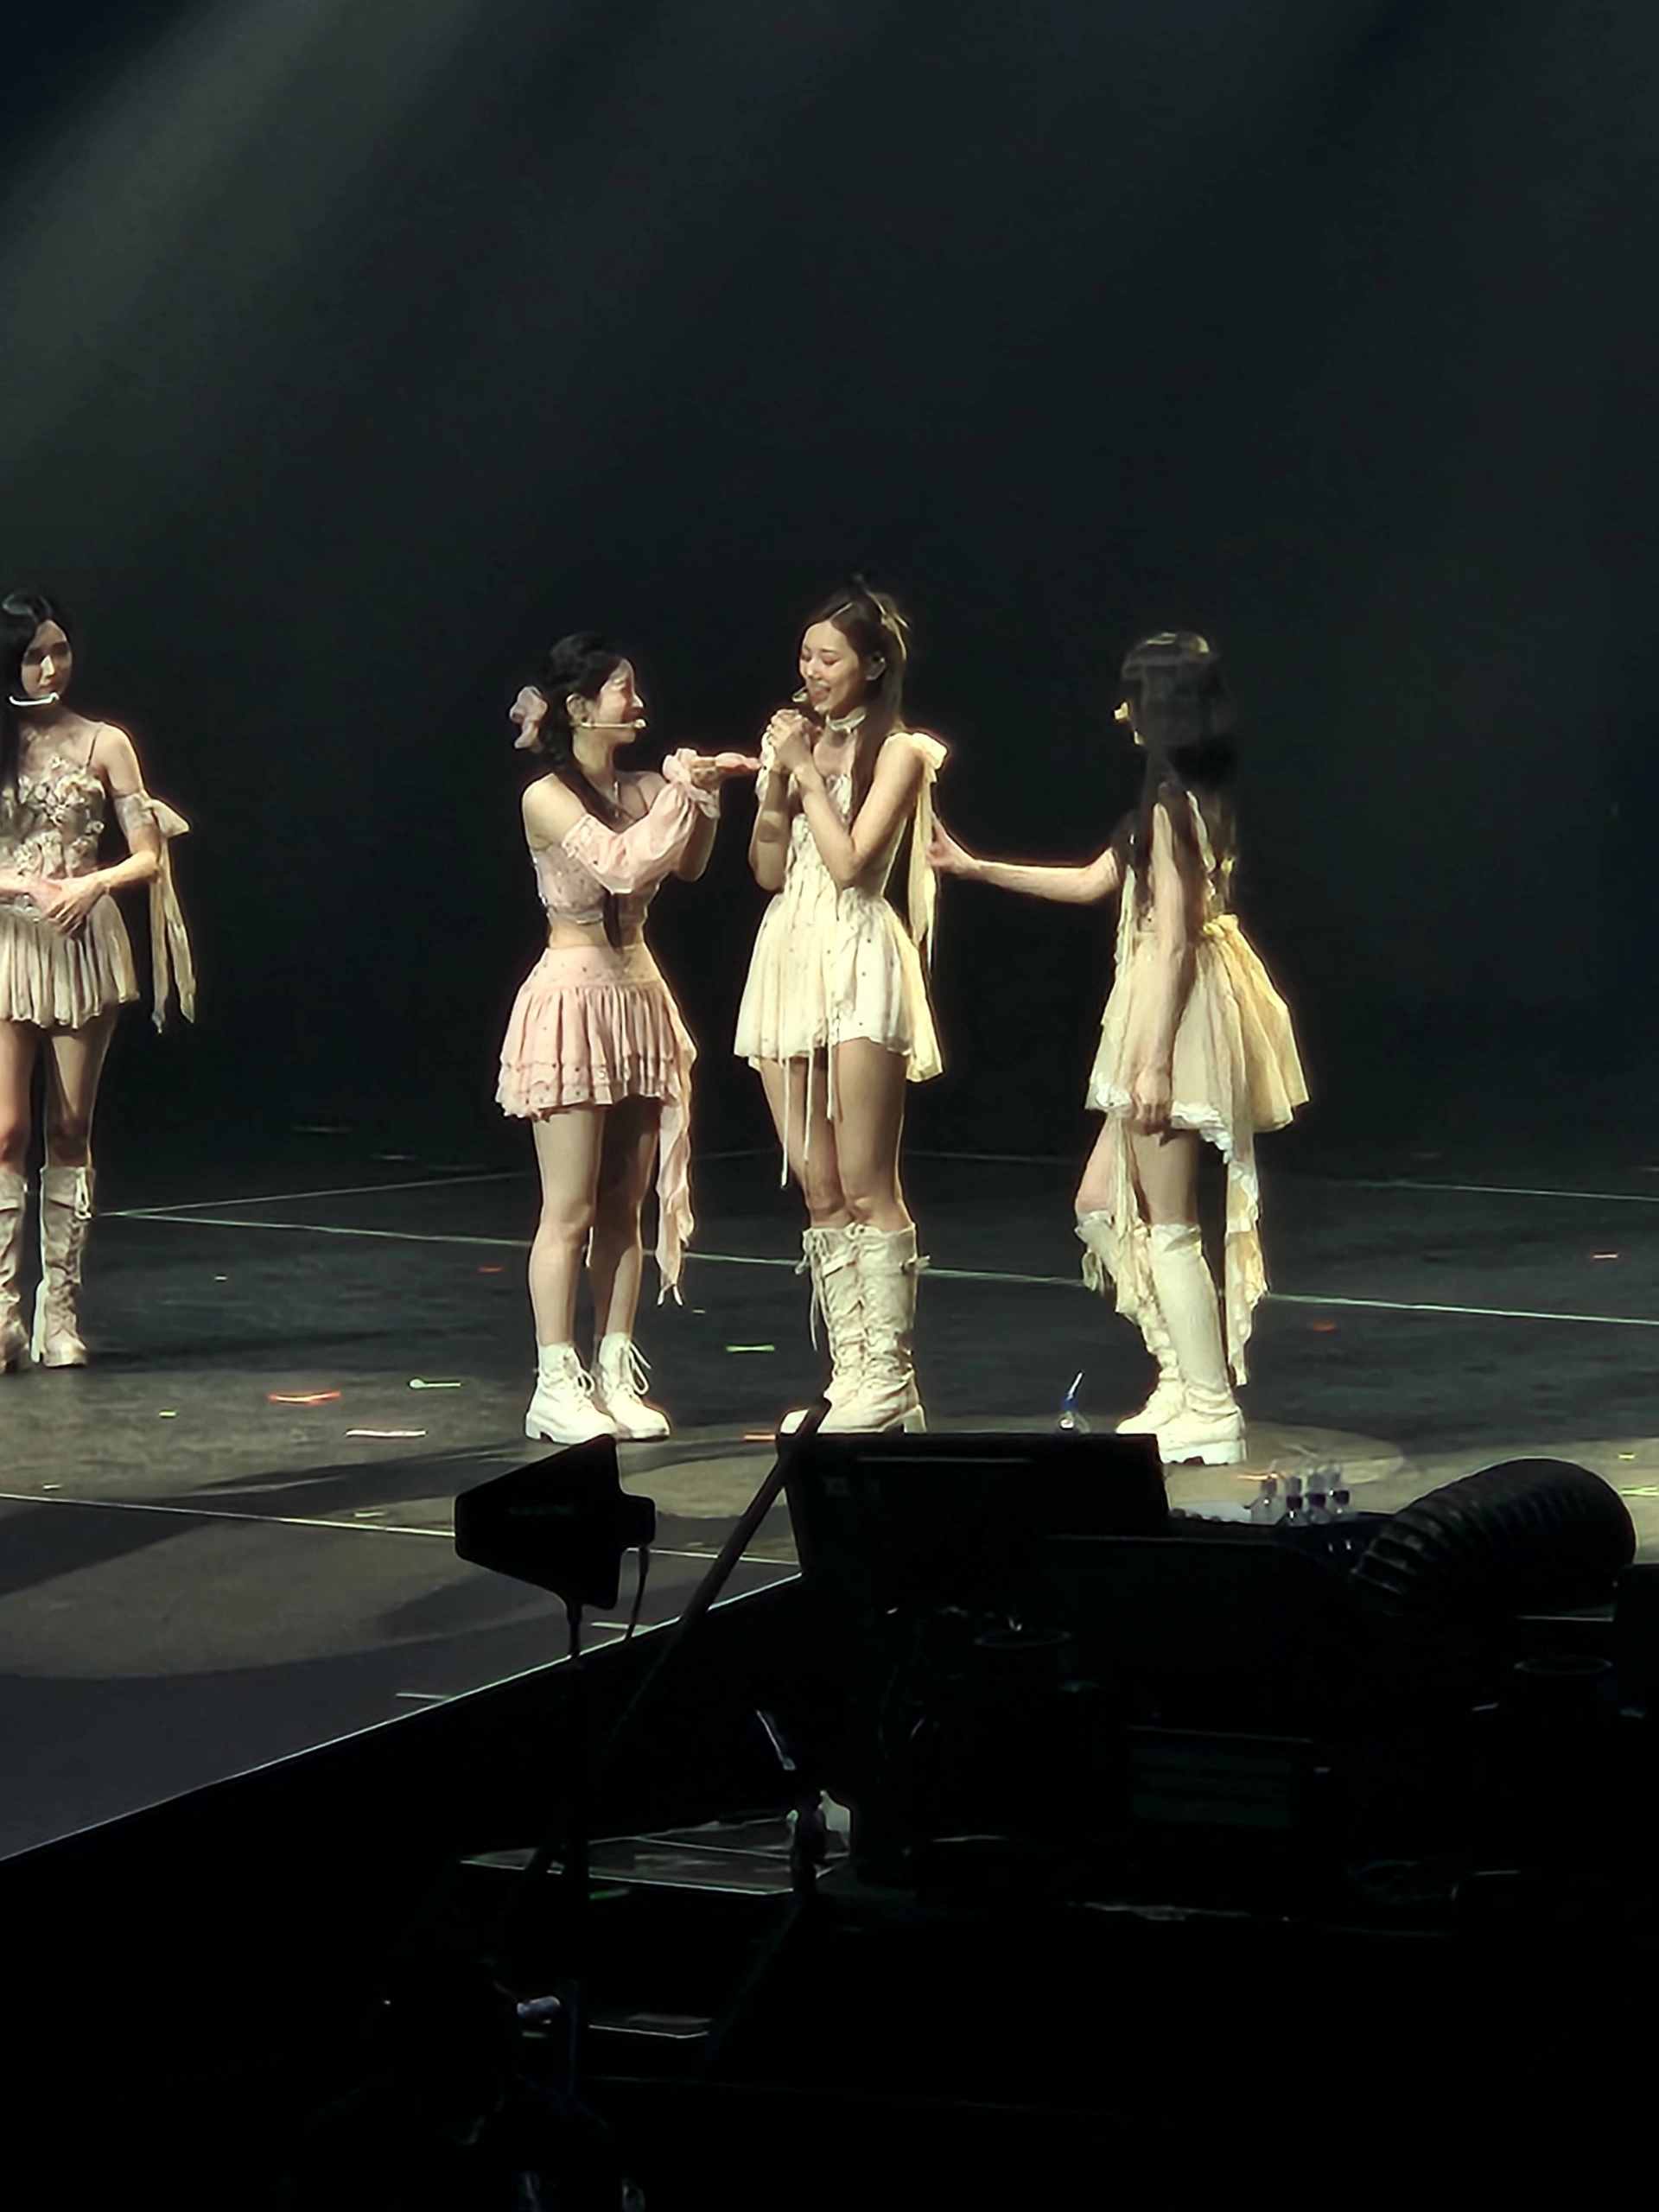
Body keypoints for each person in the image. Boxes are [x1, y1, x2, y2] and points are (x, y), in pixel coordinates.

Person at [929, 631, 1306, 1465]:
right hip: (1163, 1004)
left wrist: (1155, 1059)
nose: (1119, 713)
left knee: (1169, 1222)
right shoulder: (1170, 803)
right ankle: (1179, 1374)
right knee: (1101, 1203)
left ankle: (1210, 1404)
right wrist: (976, 867)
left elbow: (1171, 941)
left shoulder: (1175, 807)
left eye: (1131, 697)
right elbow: (1095, 881)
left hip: (1173, 1015)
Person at [498, 633, 755, 1445]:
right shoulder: (545, 797)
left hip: (638, 996)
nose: (637, 704)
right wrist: (680, 796)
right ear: (579, 709)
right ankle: (555, 1381)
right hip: (572, 1002)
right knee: (569, 1208)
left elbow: (687, 866)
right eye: (621, 690)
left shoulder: (644, 787)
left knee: (625, 1206)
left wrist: (701, 797)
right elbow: (618, 866)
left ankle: (615, 1369)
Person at [735, 582, 946, 1433]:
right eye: (806, 656)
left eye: (829, 657)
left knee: (865, 1183)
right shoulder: (799, 747)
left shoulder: (900, 752)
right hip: (789, 955)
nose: (812, 670)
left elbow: (854, 864)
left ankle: (891, 1378)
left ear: (873, 665)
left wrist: (803, 773)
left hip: (858, 955)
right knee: (819, 1189)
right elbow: (765, 869)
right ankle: (851, 1372)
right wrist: (772, 789)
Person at [0, 591, 191, 1372]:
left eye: (60, 651)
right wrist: (22, 885)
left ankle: (61, 1312)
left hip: (82, 939)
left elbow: (148, 853)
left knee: (70, 1125)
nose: (50, 668)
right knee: (6, 1129)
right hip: (9, 942)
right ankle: (3, 1312)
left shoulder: (105, 742)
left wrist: (91, 884)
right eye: (33, 655)